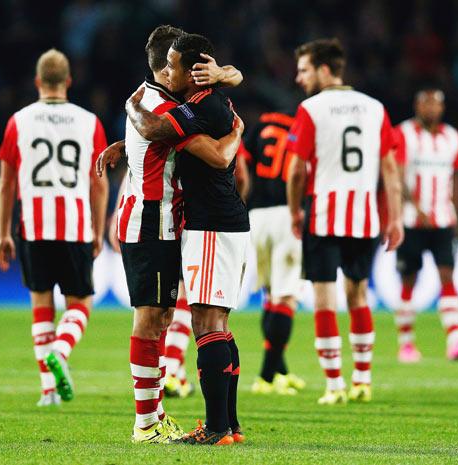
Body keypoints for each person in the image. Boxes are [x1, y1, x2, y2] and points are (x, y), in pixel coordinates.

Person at [98, 26, 243, 444]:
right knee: (149, 320)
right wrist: (236, 132)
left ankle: (155, 415)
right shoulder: (157, 105)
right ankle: (146, 423)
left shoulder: (153, 98)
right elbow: (205, 152)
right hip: (151, 220)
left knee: (161, 317)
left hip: (157, 219)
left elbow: (231, 76)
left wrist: (121, 144)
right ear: (168, 69)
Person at [286, 38, 403, 405]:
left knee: (324, 298)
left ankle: (335, 385)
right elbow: (390, 168)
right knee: (359, 294)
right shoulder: (375, 108)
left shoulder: (311, 109)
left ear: (324, 69)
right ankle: (363, 380)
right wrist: (395, 218)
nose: (299, 78)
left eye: (305, 70)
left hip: (323, 215)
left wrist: (293, 211)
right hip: (365, 216)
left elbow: (296, 171)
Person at [0, 48, 108, 407]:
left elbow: (6, 183)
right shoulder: (89, 121)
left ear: (38, 82)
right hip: (74, 225)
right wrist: (98, 227)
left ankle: (48, 392)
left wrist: (1, 233)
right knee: (80, 303)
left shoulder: (19, 120)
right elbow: (100, 182)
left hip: (34, 226)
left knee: (41, 305)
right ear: (69, 82)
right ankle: (61, 349)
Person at [394, 88, 458, 362]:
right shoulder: (403, 134)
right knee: (409, 280)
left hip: (442, 219)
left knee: (447, 275)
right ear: (416, 105)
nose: (430, 109)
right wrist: (414, 206)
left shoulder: (453, 138)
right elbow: (395, 175)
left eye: (435, 104)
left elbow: (455, 177)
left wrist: (455, 210)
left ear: (442, 108)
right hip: (411, 220)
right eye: (425, 103)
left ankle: (456, 338)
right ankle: (406, 344)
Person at [241, 111, 307, 396]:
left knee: (271, 296)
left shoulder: (260, 127)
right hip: (286, 214)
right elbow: (302, 171)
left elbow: (241, 164)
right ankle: (266, 376)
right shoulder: (299, 129)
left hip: (256, 217)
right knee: (285, 298)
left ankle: (280, 371)